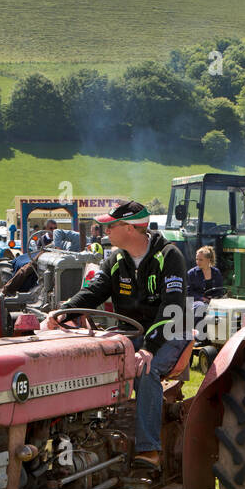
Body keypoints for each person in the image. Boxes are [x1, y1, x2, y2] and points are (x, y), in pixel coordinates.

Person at [44, 200, 188, 472]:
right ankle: (87, 438)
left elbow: (172, 310)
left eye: (111, 225)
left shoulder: (169, 256)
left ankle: (149, 450)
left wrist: (148, 348)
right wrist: (61, 313)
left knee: (145, 369)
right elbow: (93, 292)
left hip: (168, 332)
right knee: (89, 359)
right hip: (129, 332)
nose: (105, 230)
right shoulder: (115, 259)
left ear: (131, 228)